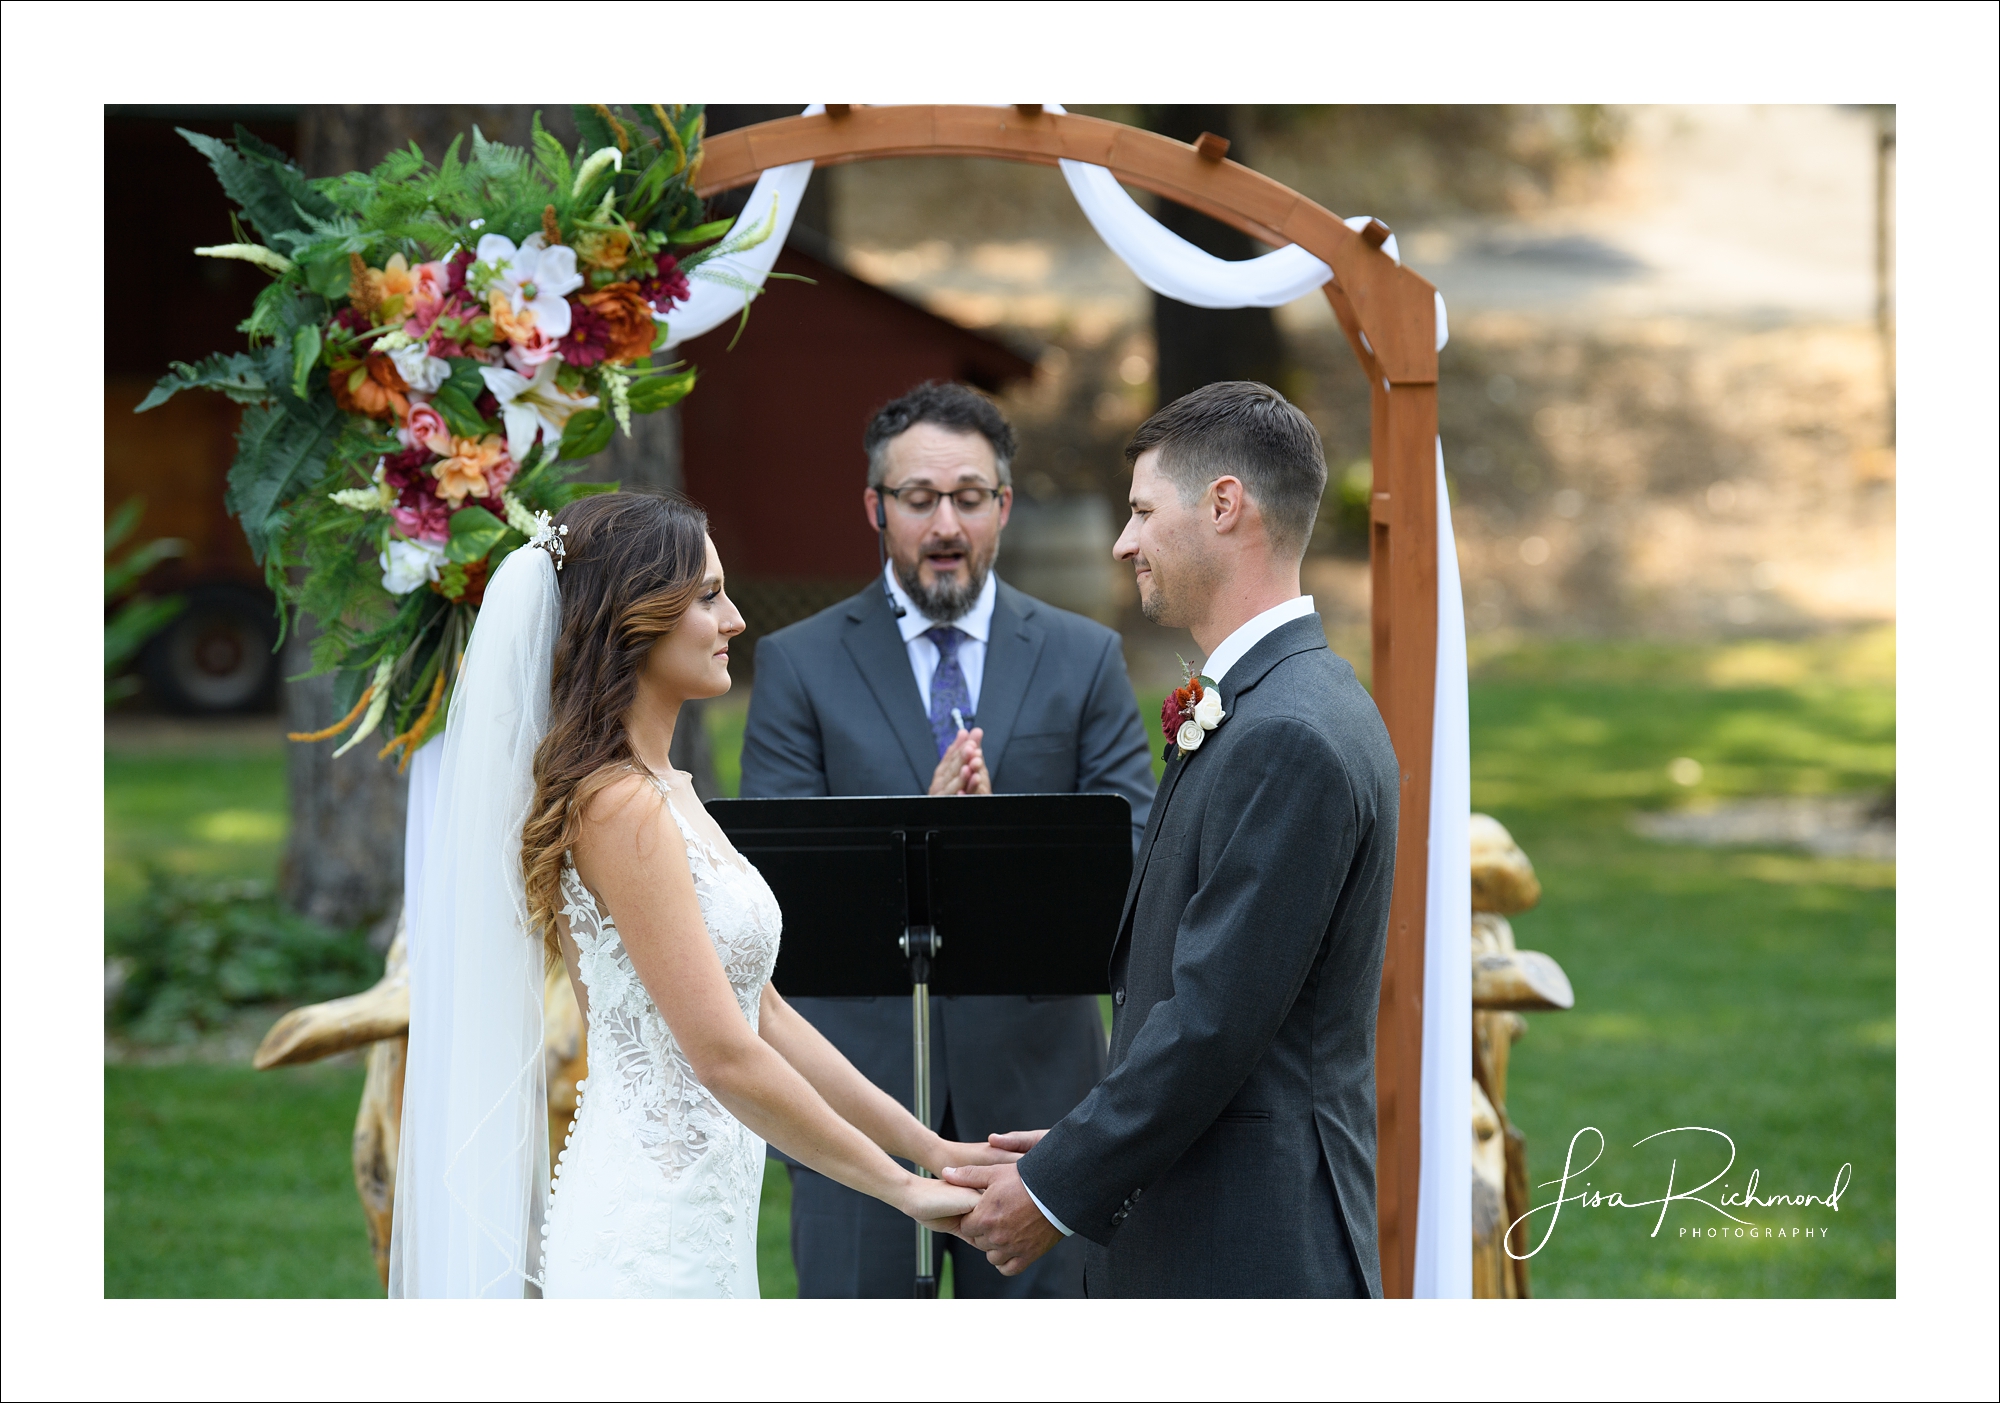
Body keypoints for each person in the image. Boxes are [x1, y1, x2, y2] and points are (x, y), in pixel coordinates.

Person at [389, 492, 1013, 1299]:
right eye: (709, 596)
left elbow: (768, 1014)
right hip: (648, 1234)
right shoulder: (617, 805)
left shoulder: (669, 791)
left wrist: (935, 1149)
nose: (737, 619)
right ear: (635, 620)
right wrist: (902, 1191)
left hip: (704, 1220)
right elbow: (722, 1053)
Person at [943, 381, 1402, 1298]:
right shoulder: (1281, 702)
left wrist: (1055, 1185)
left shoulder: (1288, 734)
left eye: (1144, 510)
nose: (1123, 541)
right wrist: (1085, 1140)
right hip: (1206, 1218)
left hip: (1251, 1249)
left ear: (1224, 506)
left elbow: (1213, 1021)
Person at [739, 382, 1156, 1297]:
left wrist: (1006, 838)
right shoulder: (799, 661)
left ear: (1003, 507)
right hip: (857, 1102)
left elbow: (1137, 845)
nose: (945, 524)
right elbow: (768, 882)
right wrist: (920, 822)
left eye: (969, 497)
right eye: (919, 498)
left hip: (1041, 1102)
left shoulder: (1082, 654)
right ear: (875, 509)